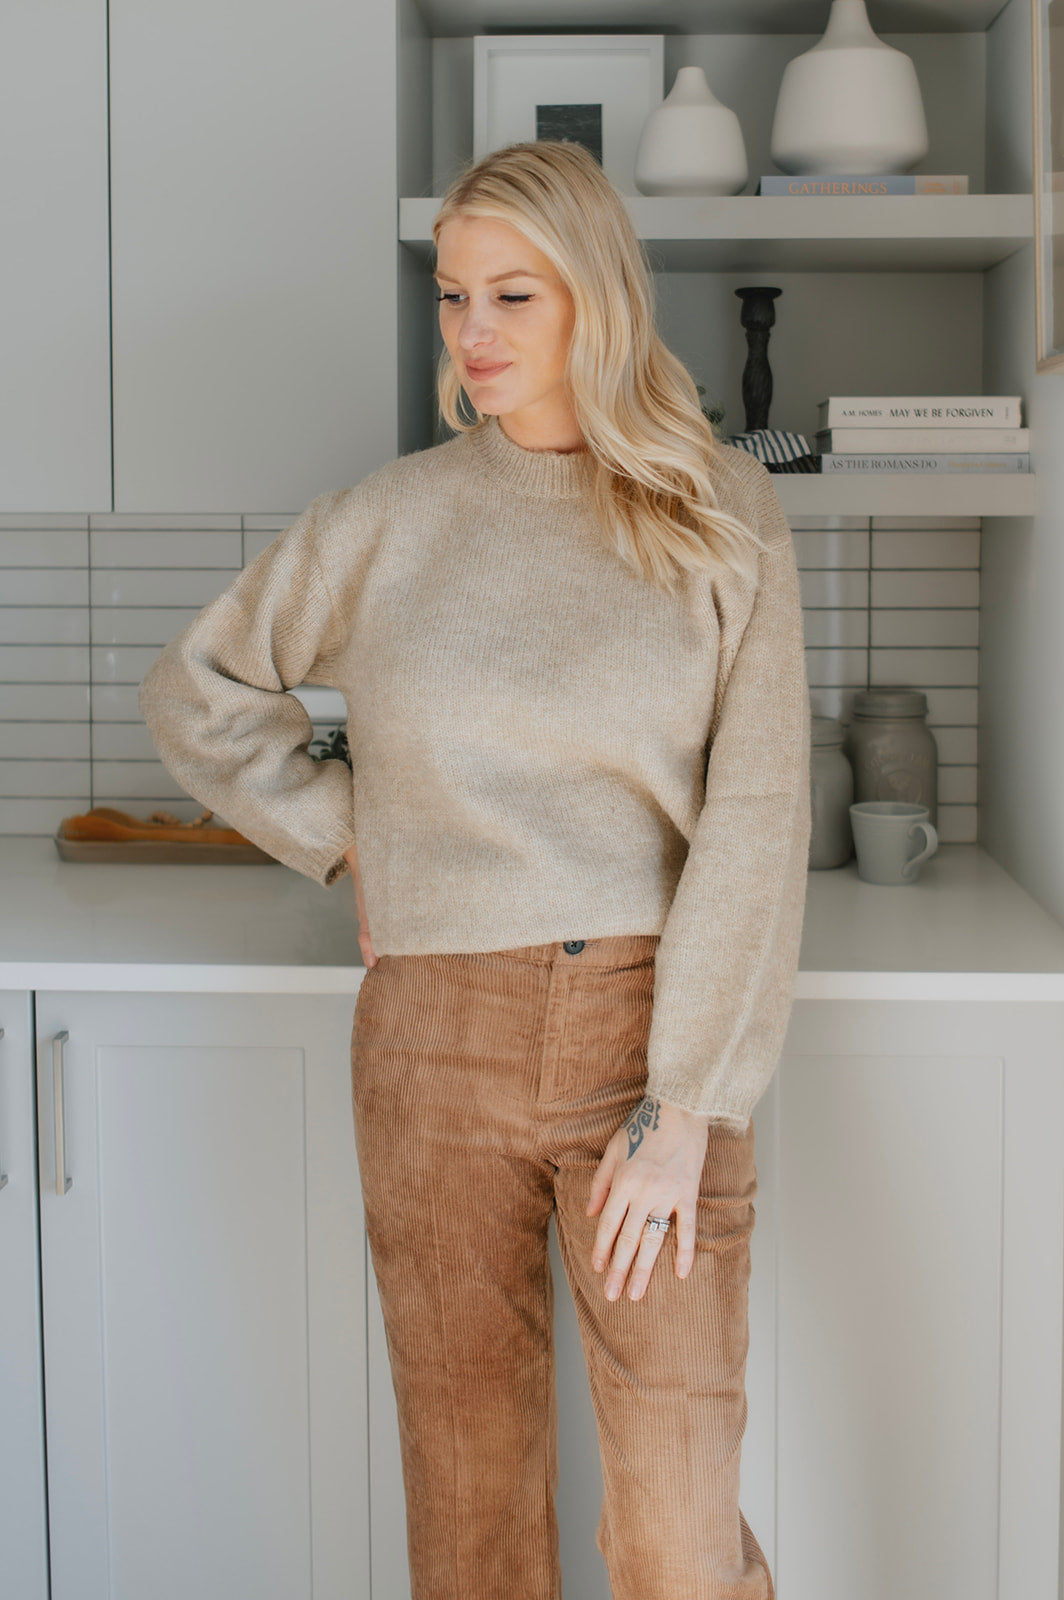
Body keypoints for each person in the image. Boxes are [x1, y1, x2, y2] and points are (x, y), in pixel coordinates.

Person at [137, 138, 811, 1600]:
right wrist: (348, 839)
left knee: (679, 1527)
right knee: (470, 1506)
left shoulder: (720, 510)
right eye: (452, 296)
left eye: (515, 294)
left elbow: (759, 814)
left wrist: (686, 1108)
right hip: (433, 1038)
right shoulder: (391, 519)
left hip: (648, 1036)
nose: (473, 333)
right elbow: (199, 690)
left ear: (598, 299)